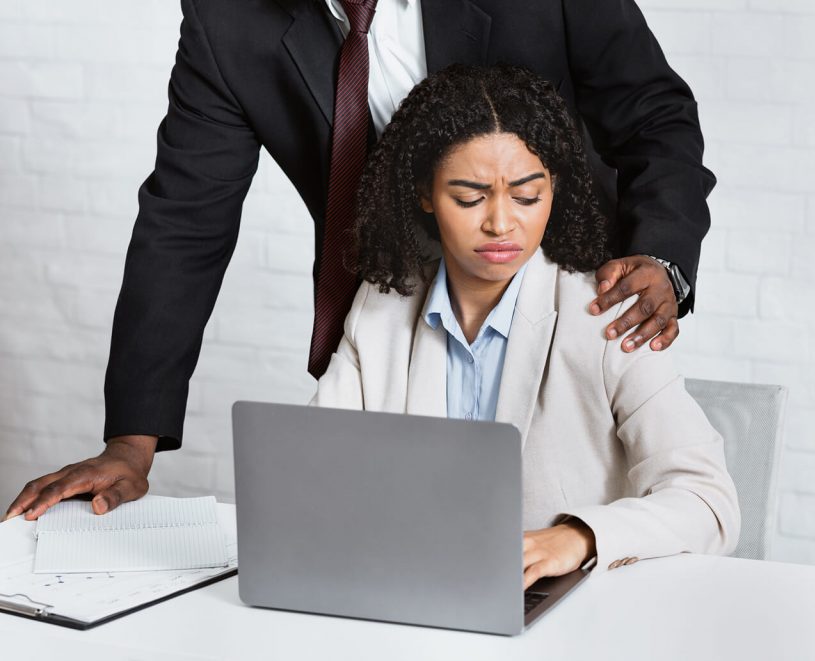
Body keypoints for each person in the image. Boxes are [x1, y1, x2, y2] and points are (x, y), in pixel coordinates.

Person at [5, 0, 716, 522]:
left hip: (572, 299)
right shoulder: (228, 19)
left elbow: (654, 115)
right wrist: (130, 443)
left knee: (558, 502)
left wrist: (661, 255)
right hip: (395, 313)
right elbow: (183, 220)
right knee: (383, 528)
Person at [311, 64, 738, 587]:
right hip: (416, 592)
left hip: (572, 615)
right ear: (424, 193)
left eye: (528, 197)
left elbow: (709, 501)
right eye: (469, 198)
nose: (500, 222)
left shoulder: (606, 317)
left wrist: (579, 537)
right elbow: (317, 470)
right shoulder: (381, 307)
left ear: (554, 190)